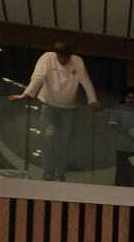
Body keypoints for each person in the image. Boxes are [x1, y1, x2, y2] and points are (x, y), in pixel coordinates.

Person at [14, 41, 100, 180]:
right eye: (61, 57)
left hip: (69, 107)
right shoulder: (47, 58)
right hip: (49, 104)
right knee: (49, 136)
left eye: (66, 58)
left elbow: (85, 81)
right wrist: (27, 93)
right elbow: (38, 77)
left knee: (64, 141)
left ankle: (60, 172)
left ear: (70, 56)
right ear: (56, 54)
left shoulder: (77, 61)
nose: (63, 60)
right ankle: (48, 172)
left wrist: (92, 100)